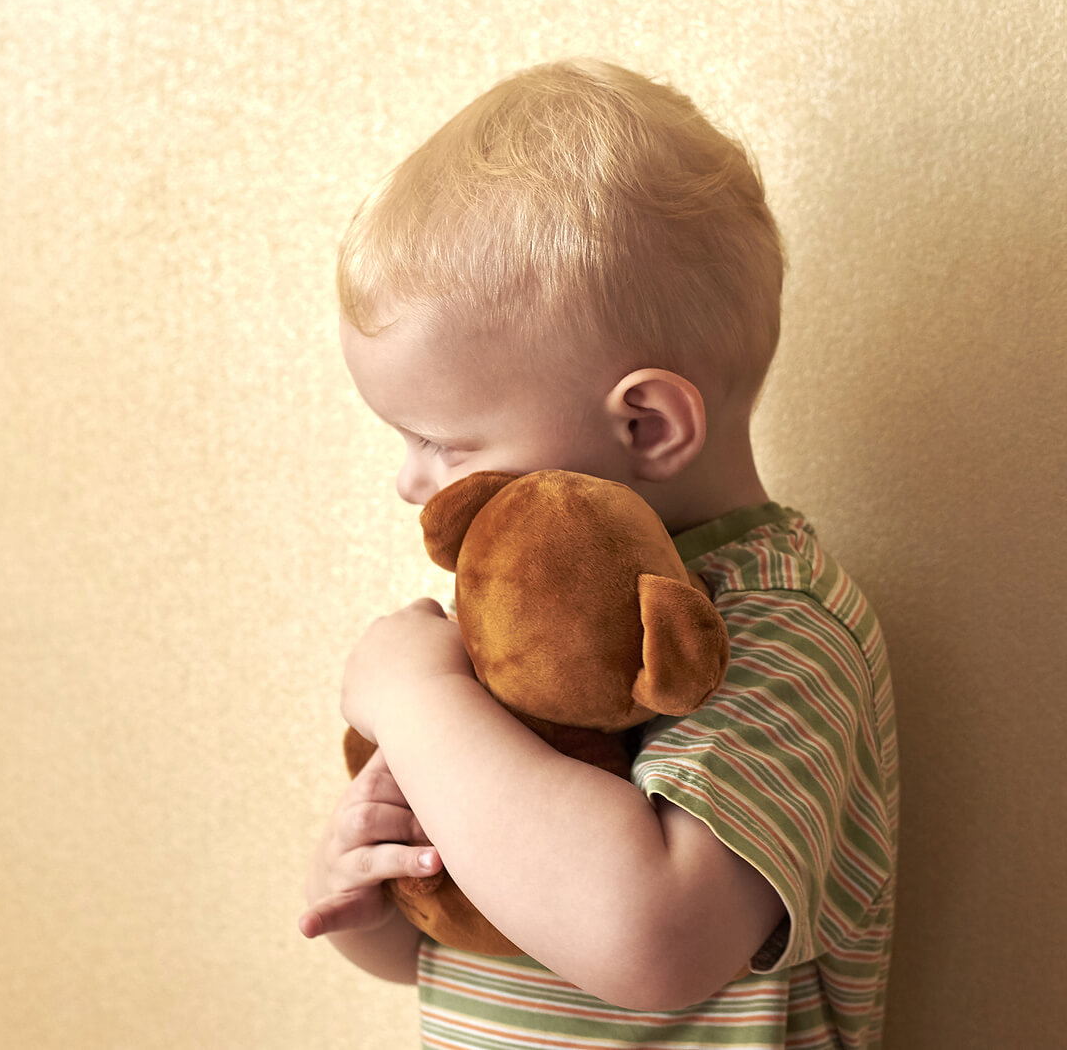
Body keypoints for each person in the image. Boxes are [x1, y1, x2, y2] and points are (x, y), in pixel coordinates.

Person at [300, 57, 898, 1049]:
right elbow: (468, 932)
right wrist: (365, 891)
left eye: (445, 441)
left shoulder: (780, 633)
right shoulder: (514, 622)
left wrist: (416, 703)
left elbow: (649, 941)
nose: (412, 483)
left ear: (647, 426)